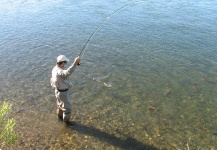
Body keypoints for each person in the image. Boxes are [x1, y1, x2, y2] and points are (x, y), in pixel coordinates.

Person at [50, 55, 80, 123]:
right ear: (62, 63)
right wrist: (75, 63)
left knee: (60, 107)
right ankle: (66, 125)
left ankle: (59, 120)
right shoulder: (60, 72)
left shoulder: (54, 69)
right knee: (67, 110)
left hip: (57, 91)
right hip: (63, 93)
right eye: (65, 62)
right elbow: (67, 73)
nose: (66, 64)